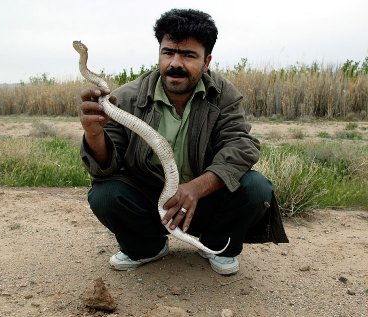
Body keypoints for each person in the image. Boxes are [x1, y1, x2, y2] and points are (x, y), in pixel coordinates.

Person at [79, 8, 288, 276]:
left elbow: (241, 146)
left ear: (206, 61)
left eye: (188, 55)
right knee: (104, 194)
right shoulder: (126, 98)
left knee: (256, 187)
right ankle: (147, 247)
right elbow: (105, 167)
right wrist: (94, 134)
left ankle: (215, 245)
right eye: (168, 52)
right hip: (150, 203)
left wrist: (197, 188)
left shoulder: (224, 96)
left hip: (204, 200)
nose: (175, 63)